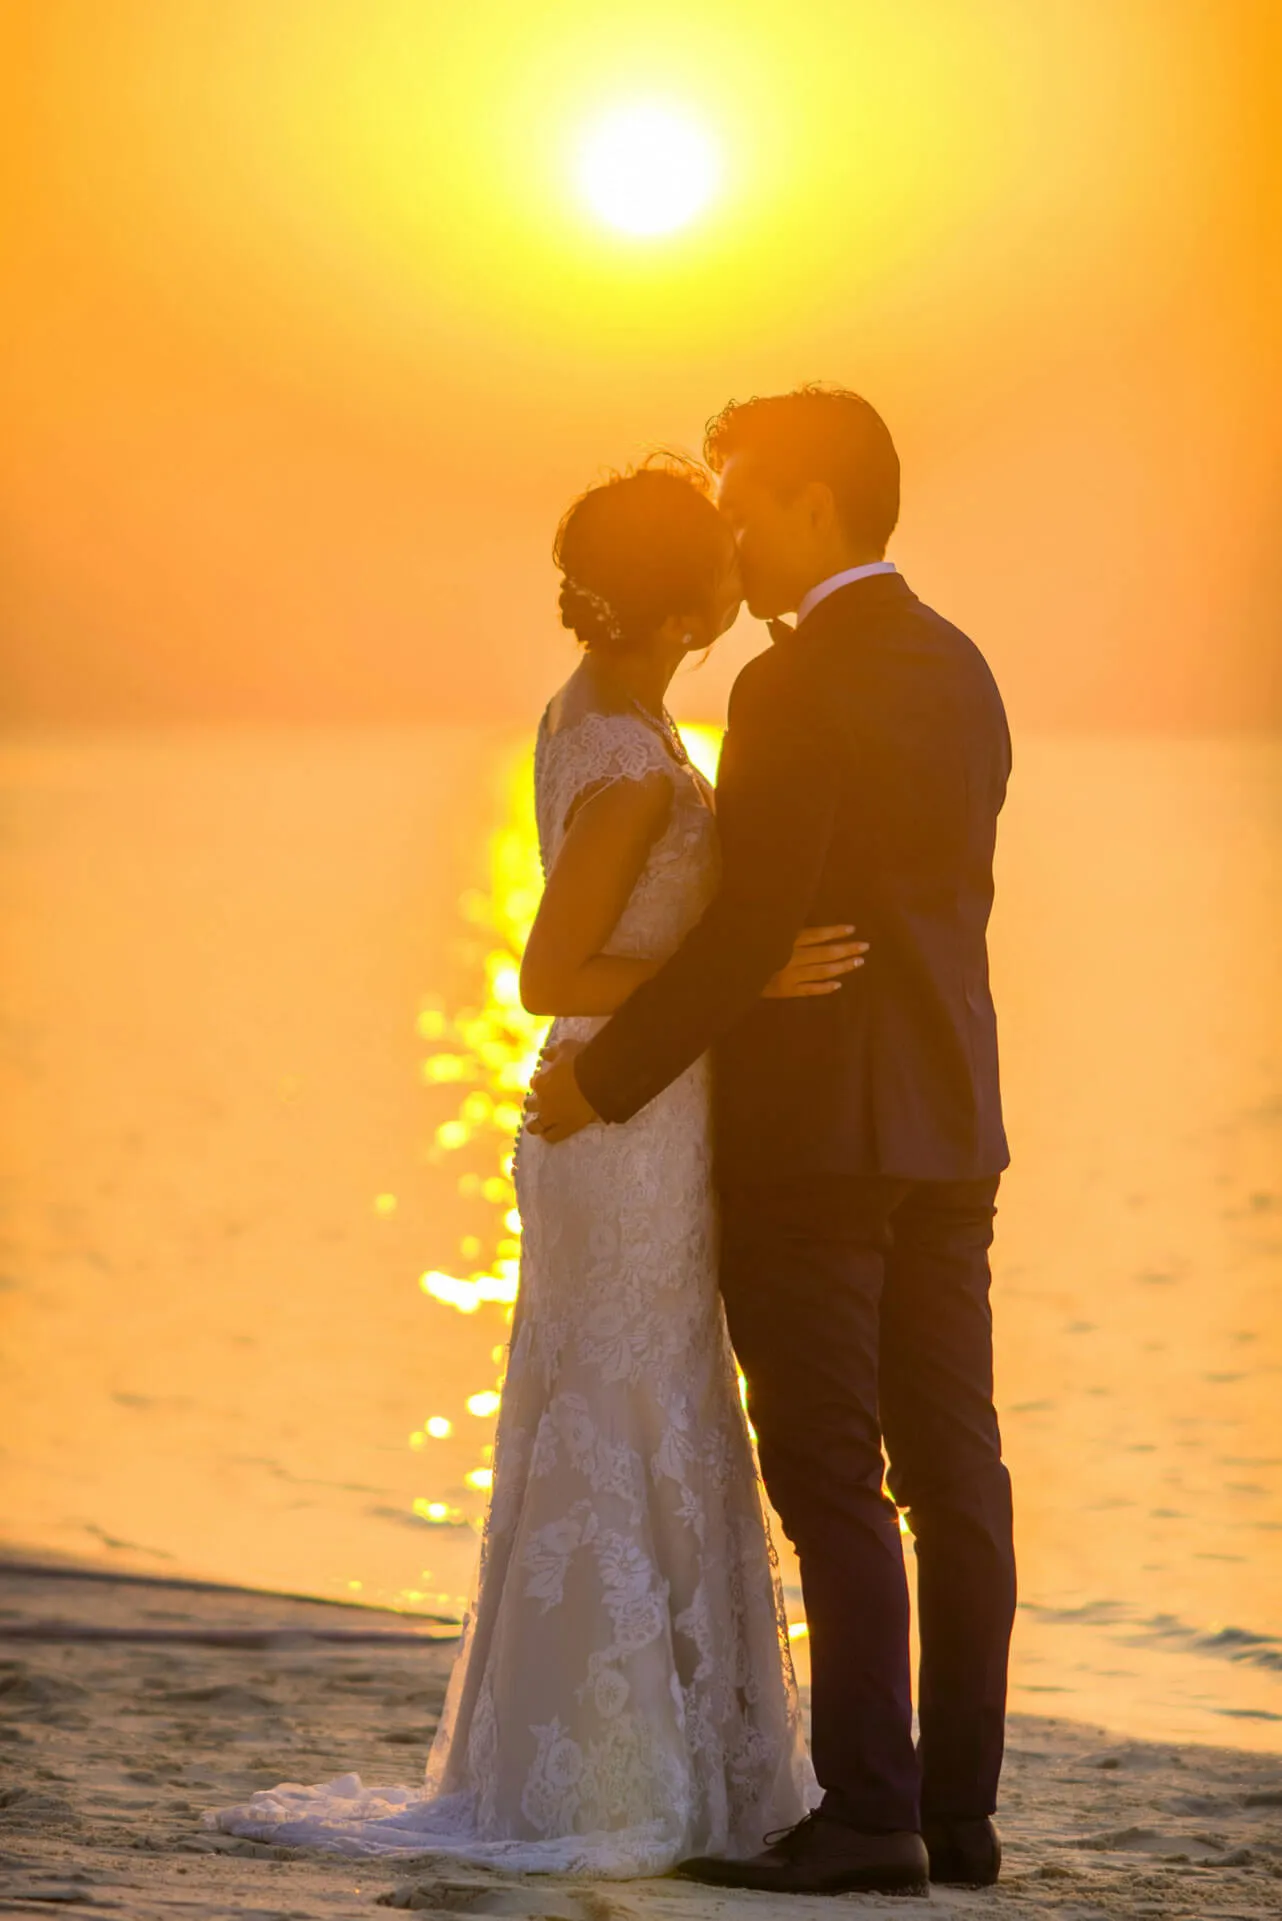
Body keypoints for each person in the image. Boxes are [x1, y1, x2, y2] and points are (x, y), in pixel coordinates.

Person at [205, 453, 867, 1875]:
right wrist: (741, 976)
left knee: (638, 1409)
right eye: (722, 553)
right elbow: (545, 967)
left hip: (627, 1121)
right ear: (684, 593)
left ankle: (647, 1752)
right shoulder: (629, 761)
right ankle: (612, 1772)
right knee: (632, 1412)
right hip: (618, 1130)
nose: (742, 569)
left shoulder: (605, 715)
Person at [529, 387, 1016, 1895]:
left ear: (813, 501)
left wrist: (603, 1089)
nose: (728, 529)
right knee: (956, 1470)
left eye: (742, 498)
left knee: (828, 1475)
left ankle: (867, 1817)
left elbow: (755, 923)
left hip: (818, 1138)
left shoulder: (790, 689)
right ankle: (956, 1813)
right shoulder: (962, 663)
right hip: (952, 1120)